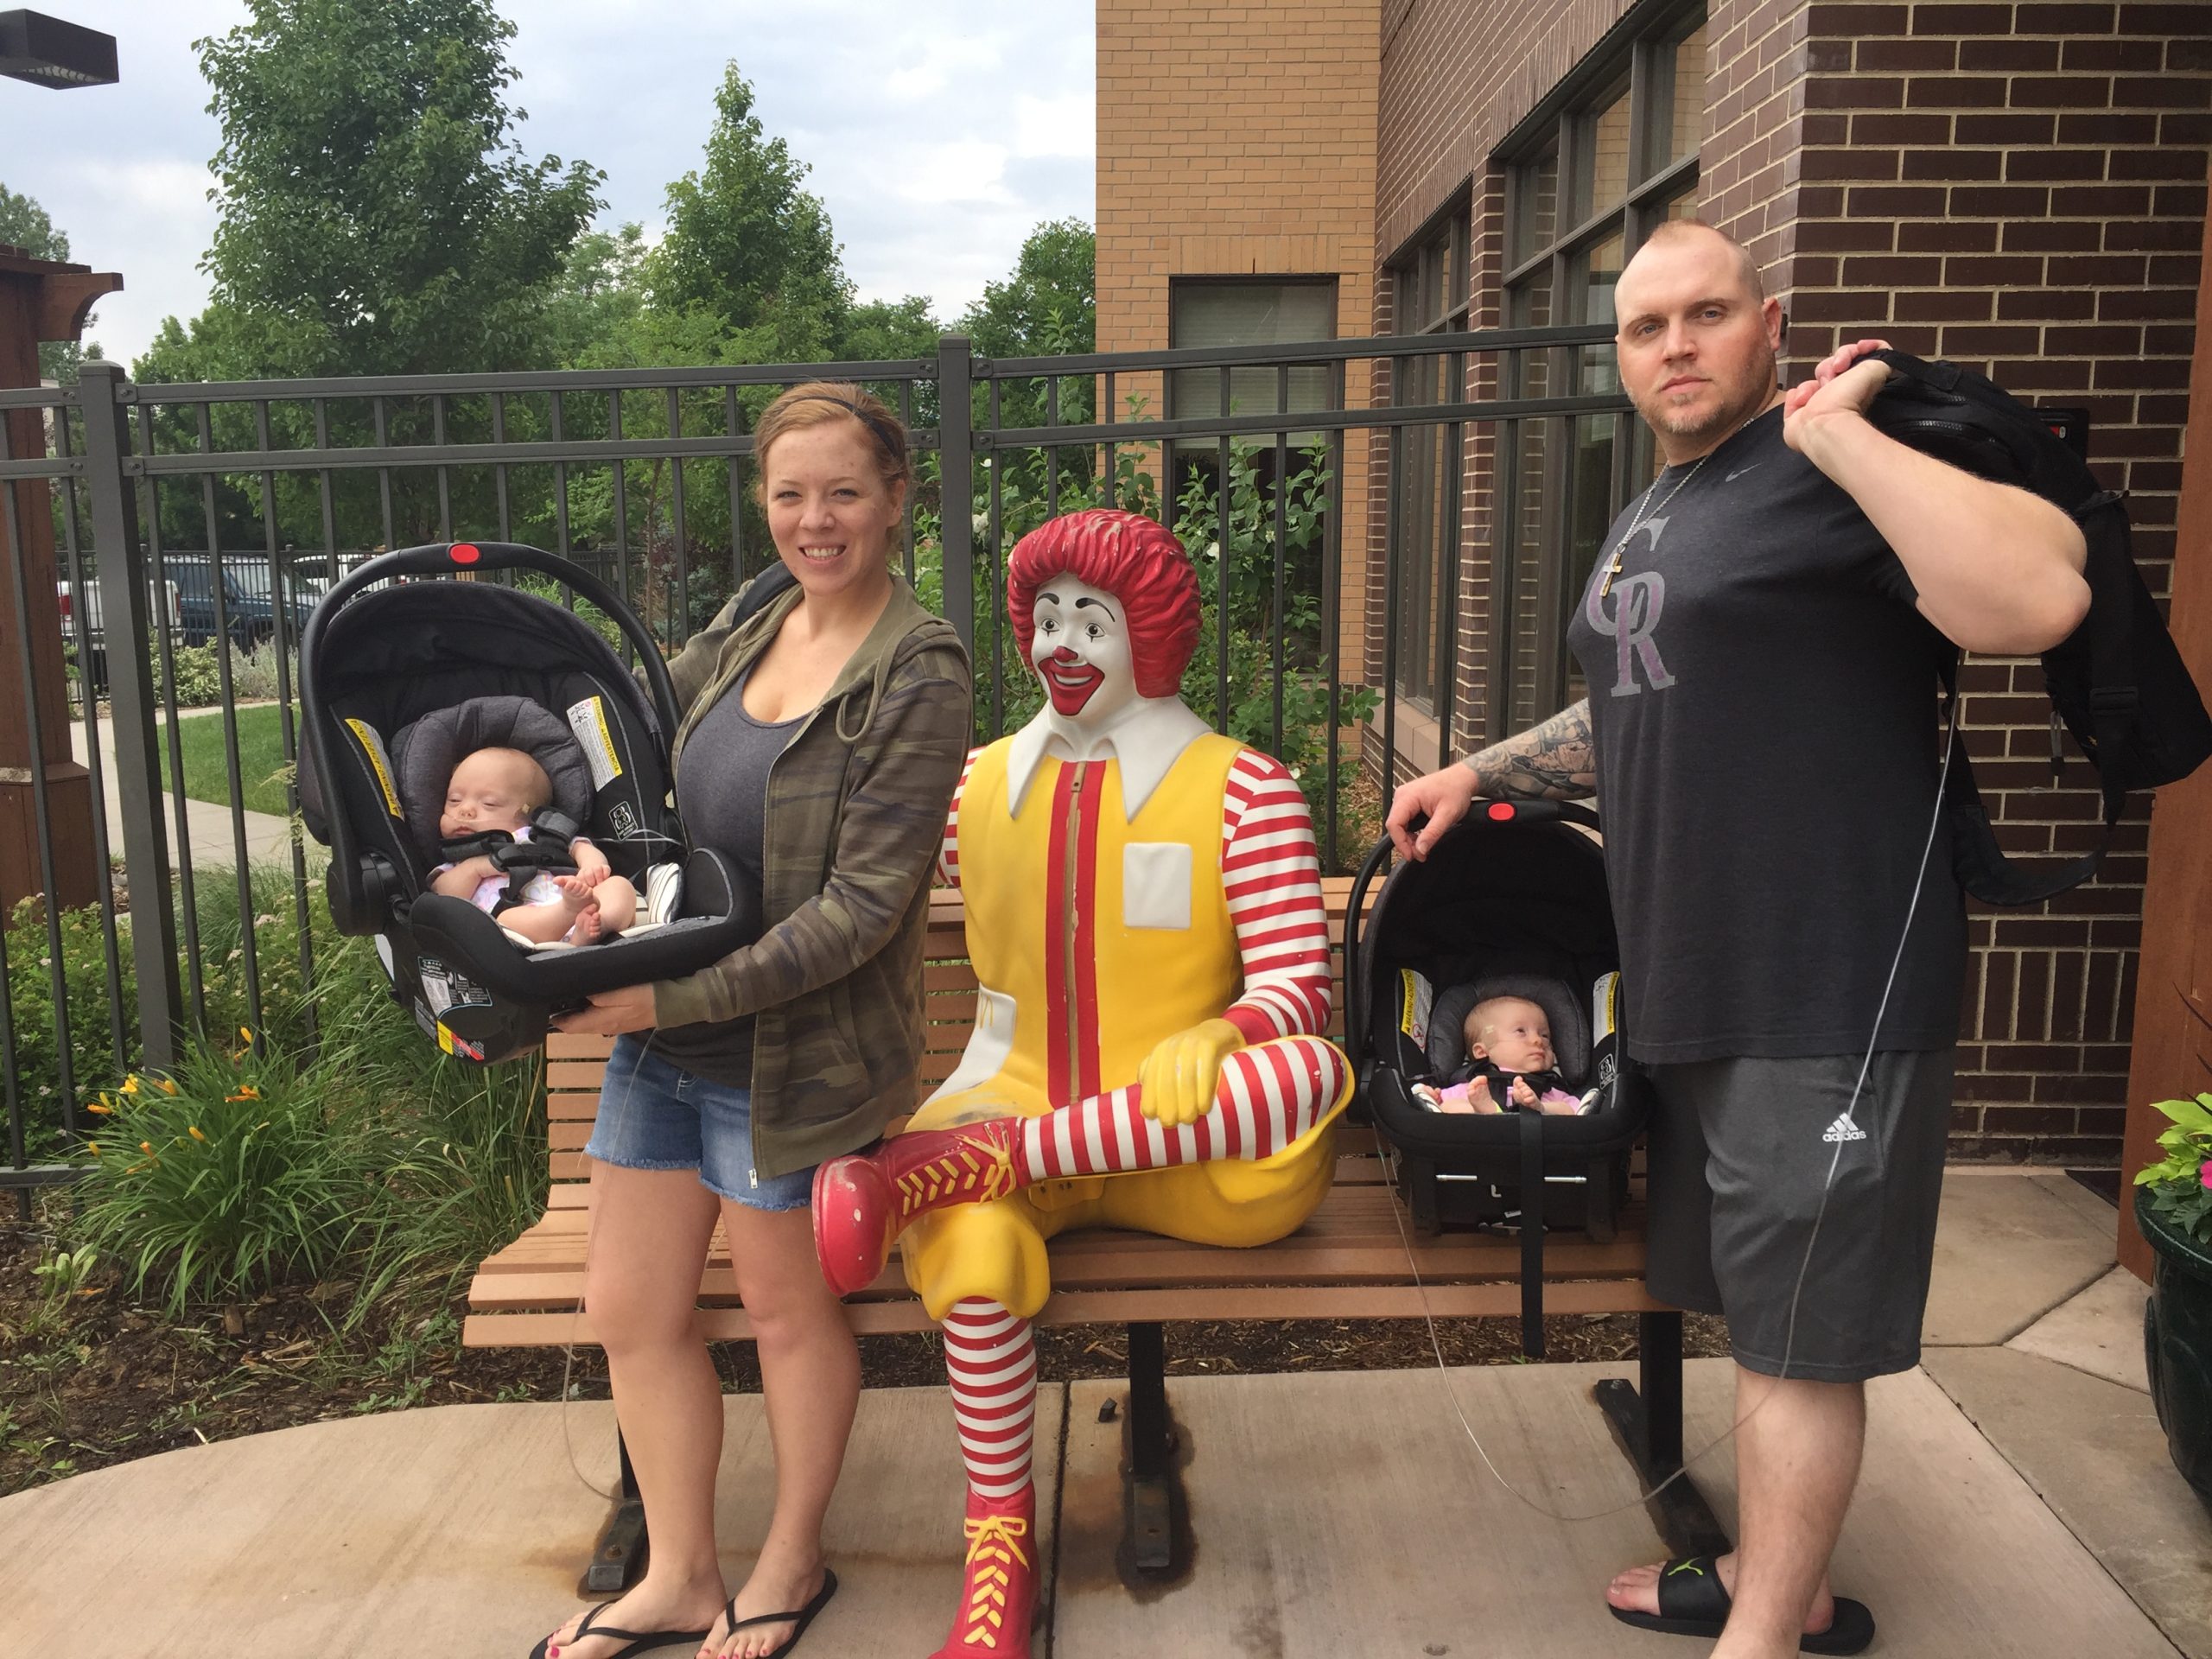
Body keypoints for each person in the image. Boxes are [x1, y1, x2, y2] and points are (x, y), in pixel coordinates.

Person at [1386, 219, 2089, 1659]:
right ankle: (1785, 1582)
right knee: (1760, 1315)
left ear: (1768, 322)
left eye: (1705, 314)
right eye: (1645, 328)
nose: (1675, 347)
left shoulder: (1831, 468)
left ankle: (1765, 1636)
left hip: (1824, 984)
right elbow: (1639, 701)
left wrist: (1848, 437)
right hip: (1696, 980)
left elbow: (2043, 596)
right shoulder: (1664, 503)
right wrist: (1485, 772)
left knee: (1800, 1340)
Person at [808, 508, 1353, 1659]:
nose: (1062, 641)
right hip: (1010, 1090)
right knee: (975, 1244)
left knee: (1308, 1075)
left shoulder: (1248, 792)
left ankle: (945, 1168)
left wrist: (1234, 1028)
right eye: (1047, 617)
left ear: (1149, 636)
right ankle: (1000, 1542)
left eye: (1091, 620)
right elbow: (855, 887)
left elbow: (1303, 986)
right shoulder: (971, 790)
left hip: (1186, 1145)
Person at [533, 382, 971, 1659]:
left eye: (844, 491)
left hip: (795, 1055)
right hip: (665, 1040)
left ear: (897, 498)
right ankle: (677, 1573)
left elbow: (865, 911)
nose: (815, 518)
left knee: (785, 1313)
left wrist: (668, 995)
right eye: (790, 493)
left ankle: (792, 1558)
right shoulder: (750, 624)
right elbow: (628, 748)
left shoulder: (917, 667)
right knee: (631, 1305)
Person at [429, 746, 639, 944]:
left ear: (527, 814)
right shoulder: (459, 858)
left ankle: (598, 926)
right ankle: (567, 913)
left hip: (582, 905)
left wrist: (590, 866)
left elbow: (581, 847)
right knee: (506, 921)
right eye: (454, 800)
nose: (465, 810)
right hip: (519, 925)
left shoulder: (545, 836)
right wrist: (474, 869)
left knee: (620, 887)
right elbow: (443, 895)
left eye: (489, 804)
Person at [1412, 994, 1586, 1116]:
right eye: (1521, 1031)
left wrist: (1543, 1108)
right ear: (1482, 1052)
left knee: (1566, 1109)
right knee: (1450, 1106)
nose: (1538, 1041)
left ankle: (1538, 1110)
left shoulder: (1550, 1089)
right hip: (1481, 1134)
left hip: (1536, 1132)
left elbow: (1575, 1110)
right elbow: (1442, 1103)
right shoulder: (1474, 1086)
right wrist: (1433, 1096)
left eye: (1545, 1035)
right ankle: (1487, 1112)